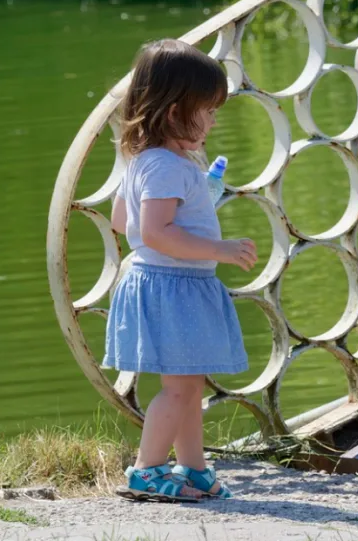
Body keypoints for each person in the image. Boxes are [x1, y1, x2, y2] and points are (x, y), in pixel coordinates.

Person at [104, 39, 257, 502]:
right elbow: (153, 232)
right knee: (177, 390)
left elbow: (120, 220)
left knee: (188, 384)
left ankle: (193, 467)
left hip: (165, 285)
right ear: (173, 113)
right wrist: (219, 247)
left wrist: (193, 200)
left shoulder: (147, 161)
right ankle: (146, 470)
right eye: (207, 111)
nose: (212, 121)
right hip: (172, 287)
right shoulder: (167, 166)